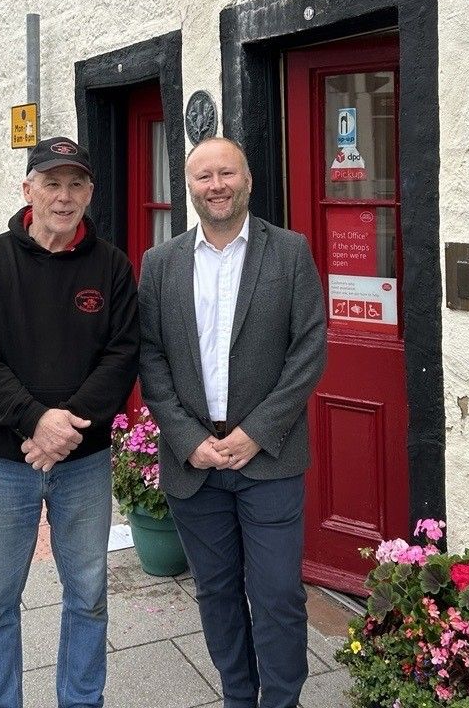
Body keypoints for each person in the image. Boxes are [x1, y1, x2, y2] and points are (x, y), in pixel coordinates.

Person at [138, 136, 327, 708]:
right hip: (194, 464)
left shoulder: (290, 252)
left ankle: (281, 701)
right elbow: (150, 356)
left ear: (247, 181)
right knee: (217, 593)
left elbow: (309, 348)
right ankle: (238, 697)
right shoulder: (161, 262)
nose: (215, 185)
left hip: (268, 458)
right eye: (203, 176)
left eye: (226, 174)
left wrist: (256, 432)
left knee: (276, 596)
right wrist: (188, 439)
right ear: (188, 186)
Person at [0, 136, 139, 708]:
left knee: (87, 596)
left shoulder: (110, 266)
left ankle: (81, 702)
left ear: (89, 191)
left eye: (76, 183)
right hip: (6, 462)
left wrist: (66, 429)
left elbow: (122, 354)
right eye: (52, 183)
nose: (64, 196)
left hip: (82, 463)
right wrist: (36, 421)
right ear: (28, 189)